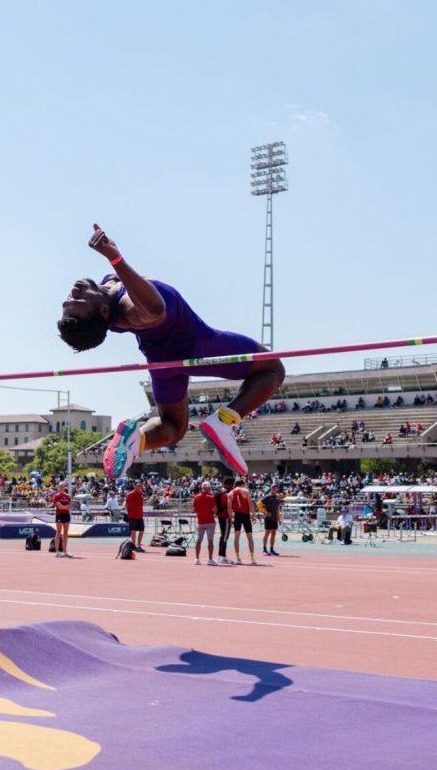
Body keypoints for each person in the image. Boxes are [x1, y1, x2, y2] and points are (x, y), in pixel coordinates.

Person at [58, 225, 285, 479]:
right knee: (272, 368)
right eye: (78, 301)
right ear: (102, 312)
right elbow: (156, 310)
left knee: (174, 428)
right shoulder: (128, 308)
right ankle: (224, 421)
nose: (73, 292)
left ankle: (137, 438)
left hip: (162, 362)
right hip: (195, 346)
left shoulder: (105, 290)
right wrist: (115, 258)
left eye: (68, 300)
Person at [229, 478, 256, 565]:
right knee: (250, 537)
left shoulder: (230, 493)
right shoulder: (245, 491)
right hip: (245, 515)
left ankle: (238, 558)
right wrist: (254, 515)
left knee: (236, 537)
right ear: (242, 484)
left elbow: (229, 508)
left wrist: (231, 519)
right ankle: (252, 558)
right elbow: (250, 504)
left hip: (237, 516)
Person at [192, 482, 217, 566]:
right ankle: (210, 559)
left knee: (199, 540)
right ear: (209, 488)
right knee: (210, 541)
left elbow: (194, 509)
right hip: (210, 521)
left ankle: (197, 558)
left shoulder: (196, 497)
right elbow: (214, 510)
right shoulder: (211, 497)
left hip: (200, 521)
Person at [51, 482, 73, 558]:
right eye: (60, 487)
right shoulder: (56, 496)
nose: (62, 488)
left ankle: (65, 551)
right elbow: (59, 507)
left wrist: (64, 506)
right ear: (58, 488)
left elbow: (70, 507)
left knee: (66, 532)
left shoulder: (68, 496)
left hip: (66, 514)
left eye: (63, 487)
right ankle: (57, 552)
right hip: (59, 514)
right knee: (59, 532)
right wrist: (65, 506)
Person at [215, 476, 233, 564]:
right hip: (225, 516)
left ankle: (222, 555)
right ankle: (222, 556)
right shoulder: (225, 493)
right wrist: (231, 518)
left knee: (223, 536)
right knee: (225, 536)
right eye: (231, 484)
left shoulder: (219, 491)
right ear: (228, 484)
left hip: (220, 515)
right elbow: (227, 506)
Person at [261, 483, 281, 557]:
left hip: (275, 518)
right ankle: (264, 549)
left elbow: (278, 508)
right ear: (271, 488)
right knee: (267, 533)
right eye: (273, 488)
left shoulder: (277, 497)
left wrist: (279, 518)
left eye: (276, 488)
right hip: (268, 518)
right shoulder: (267, 496)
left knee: (274, 533)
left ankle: (272, 549)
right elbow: (259, 504)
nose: (275, 489)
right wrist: (265, 512)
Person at [125, 482, 146, 551]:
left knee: (142, 530)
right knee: (133, 530)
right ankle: (133, 545)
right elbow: (125, 504)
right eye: (138, 486)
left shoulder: (141, 494)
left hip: (140, 515)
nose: (139, 487)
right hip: (132, 515)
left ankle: (139, 545)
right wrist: (128, 513)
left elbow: (141, 504)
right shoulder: (130, 494)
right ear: (135, 486)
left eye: (140, 486)